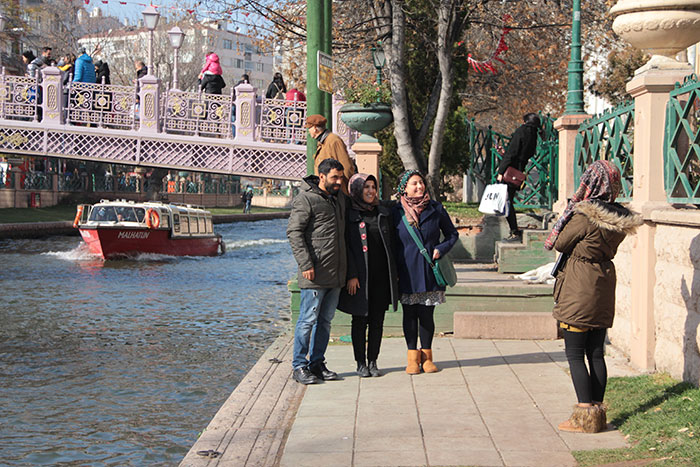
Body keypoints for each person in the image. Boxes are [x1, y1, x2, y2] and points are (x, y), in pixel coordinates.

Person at [545, 160, 642, 433]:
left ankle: (585, 416)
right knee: (596, 352)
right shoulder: (619, 219)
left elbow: (561, 242)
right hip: (603, 284)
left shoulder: (585, 216)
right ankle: (598, 412)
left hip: (578, 286)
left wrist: (570, 211)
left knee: (575, 353)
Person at [286, 158, 347, 385]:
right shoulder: (306, 199)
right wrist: (306, 264)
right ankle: (299, 366)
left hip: (336, 273)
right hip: (314, 273)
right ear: (321, 176)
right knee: (307, 321)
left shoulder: (339, 198)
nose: (338, 181)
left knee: (325, 321)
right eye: (334, 177)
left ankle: (317, 363)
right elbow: (294, 233)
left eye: (340, 177)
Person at [393, 170, 458, 374]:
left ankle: (427, 357)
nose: (419, 187)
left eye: (421, 183)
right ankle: (412, 357)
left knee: (427, 315)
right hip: (406, 272)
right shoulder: (396, 212)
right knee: (409, 315)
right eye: (414, 183)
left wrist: (441, 248)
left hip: (430, 270)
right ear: (404, 188)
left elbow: (452, 234)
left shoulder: (436, 209)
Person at [338, 173, 398, 377]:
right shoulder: (350, 214)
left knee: (377, 321)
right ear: (357, 189)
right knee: (359, 320)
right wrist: (351, 275)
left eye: (373, 187)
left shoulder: (383, 212)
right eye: (366, 187)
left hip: (380, 277)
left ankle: (373, 361)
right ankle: (360, 363)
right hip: (359, 278)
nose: (371, 191)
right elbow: (346, 246)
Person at [496, 112, 541, 242]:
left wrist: (501, 171)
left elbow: (513, 153)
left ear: (525, 121)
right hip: (518, 172)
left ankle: (514, 232)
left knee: (506, 202)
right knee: (508, 200)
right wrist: (505, 153)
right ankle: (514, 230)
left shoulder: (521, 131)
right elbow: (521, 153)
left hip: (509, 172)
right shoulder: (533, 135)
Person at [306, 114, 355, 193]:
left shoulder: (333, 141)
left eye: (309, 128)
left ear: (315, 128)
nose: (308, 131)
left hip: (337, 192)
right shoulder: (323, 143)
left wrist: (344, 191)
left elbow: (347, 168)